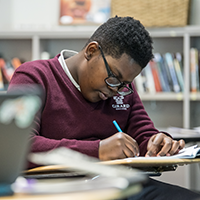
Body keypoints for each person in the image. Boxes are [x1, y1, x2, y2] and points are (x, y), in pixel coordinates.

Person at [8, 16, 200, 199]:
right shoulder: (34, 77)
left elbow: (143, 134)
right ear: (91, 51)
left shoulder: (123, 89)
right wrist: (97, 150)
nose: (117, 91)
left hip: (119, 185)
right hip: (59, 190)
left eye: (125, 83)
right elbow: (17, 147)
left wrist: (157, 142)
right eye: (114, 77)